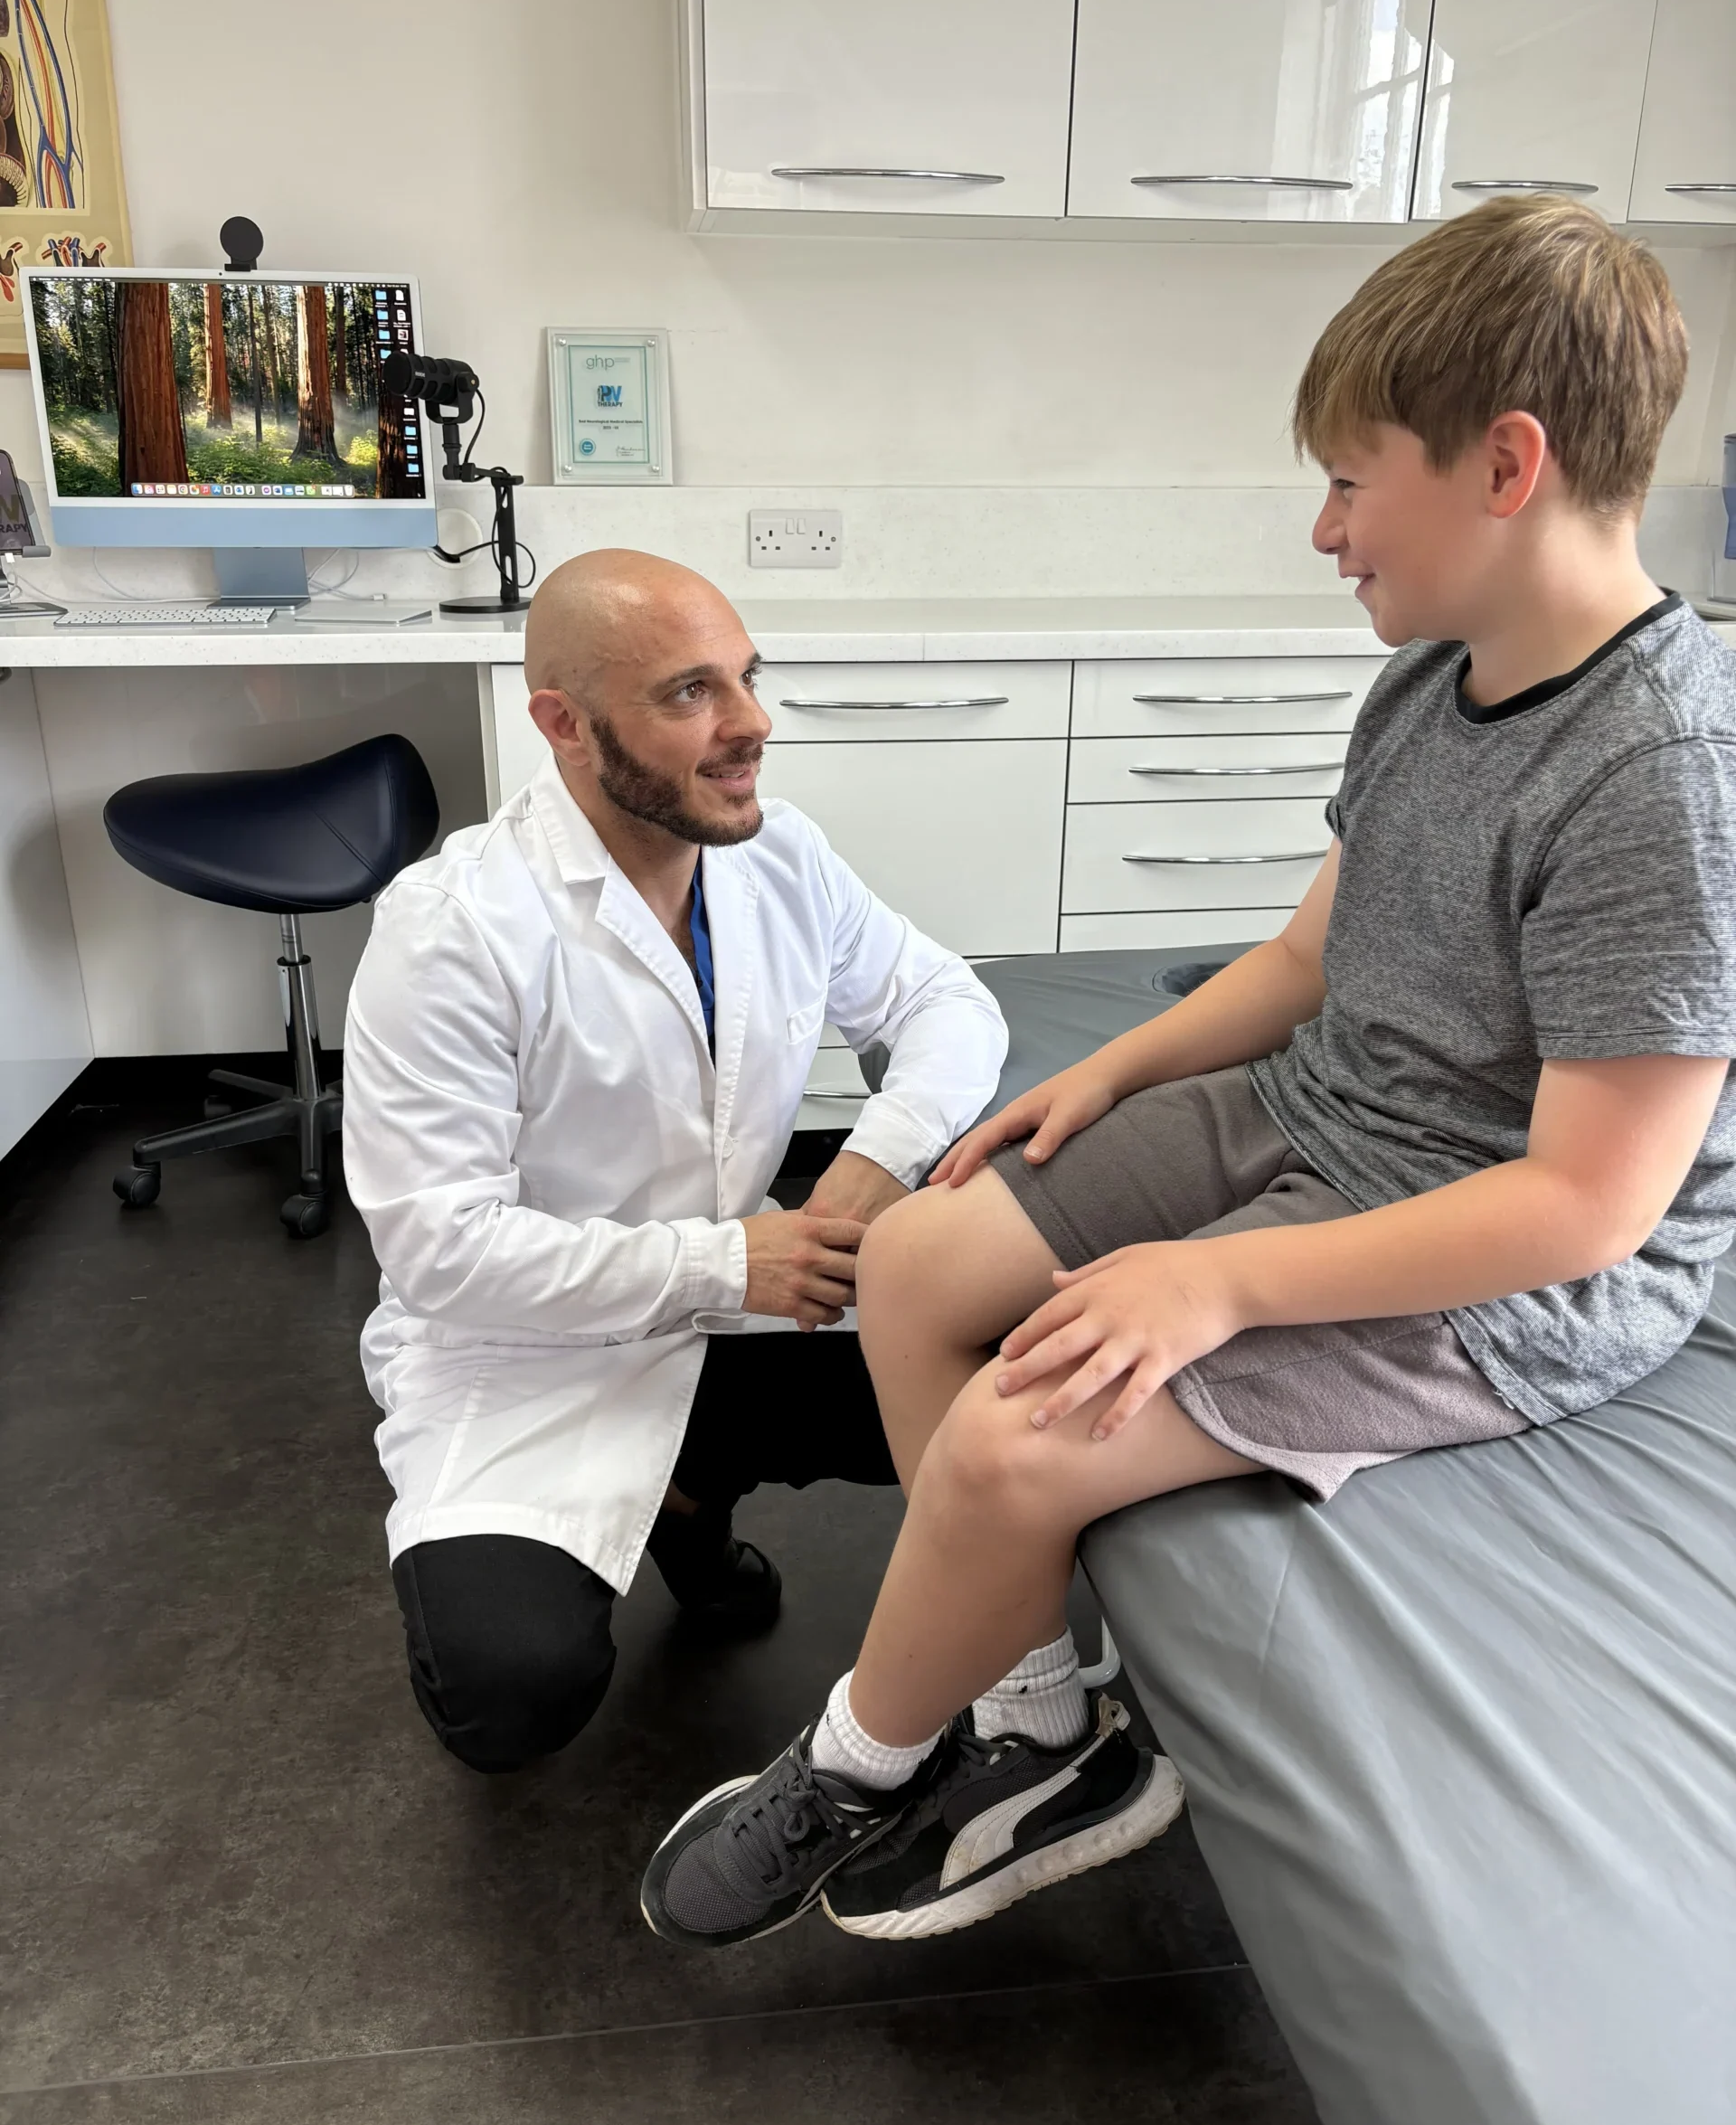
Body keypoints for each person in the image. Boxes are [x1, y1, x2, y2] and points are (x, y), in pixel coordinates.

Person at [642, 196, 1736, 1950]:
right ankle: (1036, 1722)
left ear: (1506, 464)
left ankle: (861, 1755)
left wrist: (1214, 1278)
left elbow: (1587, 1203)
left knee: (1016, 1436)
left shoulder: (1659, 771)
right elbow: (1310, 957)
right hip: (1326, 1120)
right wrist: (1110, 1078)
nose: (1324, 529)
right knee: (919, 1259)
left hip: (1505, 1267)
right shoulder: (1439, 681)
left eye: (1351, 481)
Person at [343, 549, 1007, 1772]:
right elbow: (440, 1251)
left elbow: (951, 1007)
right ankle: (673, 1495)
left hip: (756, 1297)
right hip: (528, 1355)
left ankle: (693, 1489)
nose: (750, 725)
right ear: (563, 725)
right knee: (511, 1697)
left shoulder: (777, 857)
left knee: (1015, 1405)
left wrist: (872, 1166)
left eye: (747, 680)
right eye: (690, 693)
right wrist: (723, 1264)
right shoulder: (455, 931)